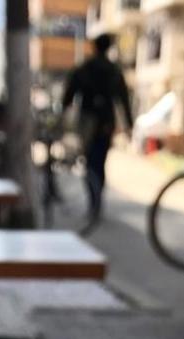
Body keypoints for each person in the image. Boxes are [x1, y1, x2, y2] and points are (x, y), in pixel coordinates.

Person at [61, 33, 133, 218]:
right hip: (105, 123)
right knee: (100, 162)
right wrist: (128, 124)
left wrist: (63, 114)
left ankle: (94, 198)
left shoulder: (85, 68)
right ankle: (97, 199)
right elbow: (123, 100)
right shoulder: (113, 70)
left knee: (90, 162)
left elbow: (68, 94)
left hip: (87, 121)